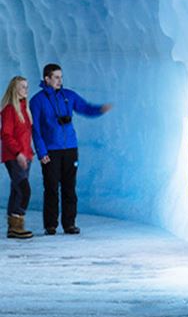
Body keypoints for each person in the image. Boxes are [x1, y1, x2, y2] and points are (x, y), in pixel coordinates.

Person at [30, 64, 112, 235]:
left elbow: (86, 108)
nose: (60, 80)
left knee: (69, 187)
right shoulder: (37, 100)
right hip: (51, 150)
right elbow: (36, 129)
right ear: (47, 79)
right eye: (56, 77)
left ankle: (69, 224)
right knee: (51, 187)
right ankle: (50, 225)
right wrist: (41, 151)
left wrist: (100, 110)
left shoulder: (69, 96)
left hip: (70, 148)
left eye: (61, 77)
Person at [1, 76, 34, 239]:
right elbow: (6, 135)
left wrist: (29, 153)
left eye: (27, 87)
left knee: (16, 190)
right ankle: (17, 223)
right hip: (14, 157)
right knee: (24, 189)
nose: (26, 90)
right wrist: (18, 153)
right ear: (14, 89)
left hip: (25, 156)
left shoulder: (24, 109)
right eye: (22, 87)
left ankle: (13, 227)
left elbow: (26, 135)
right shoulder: (9, 109)